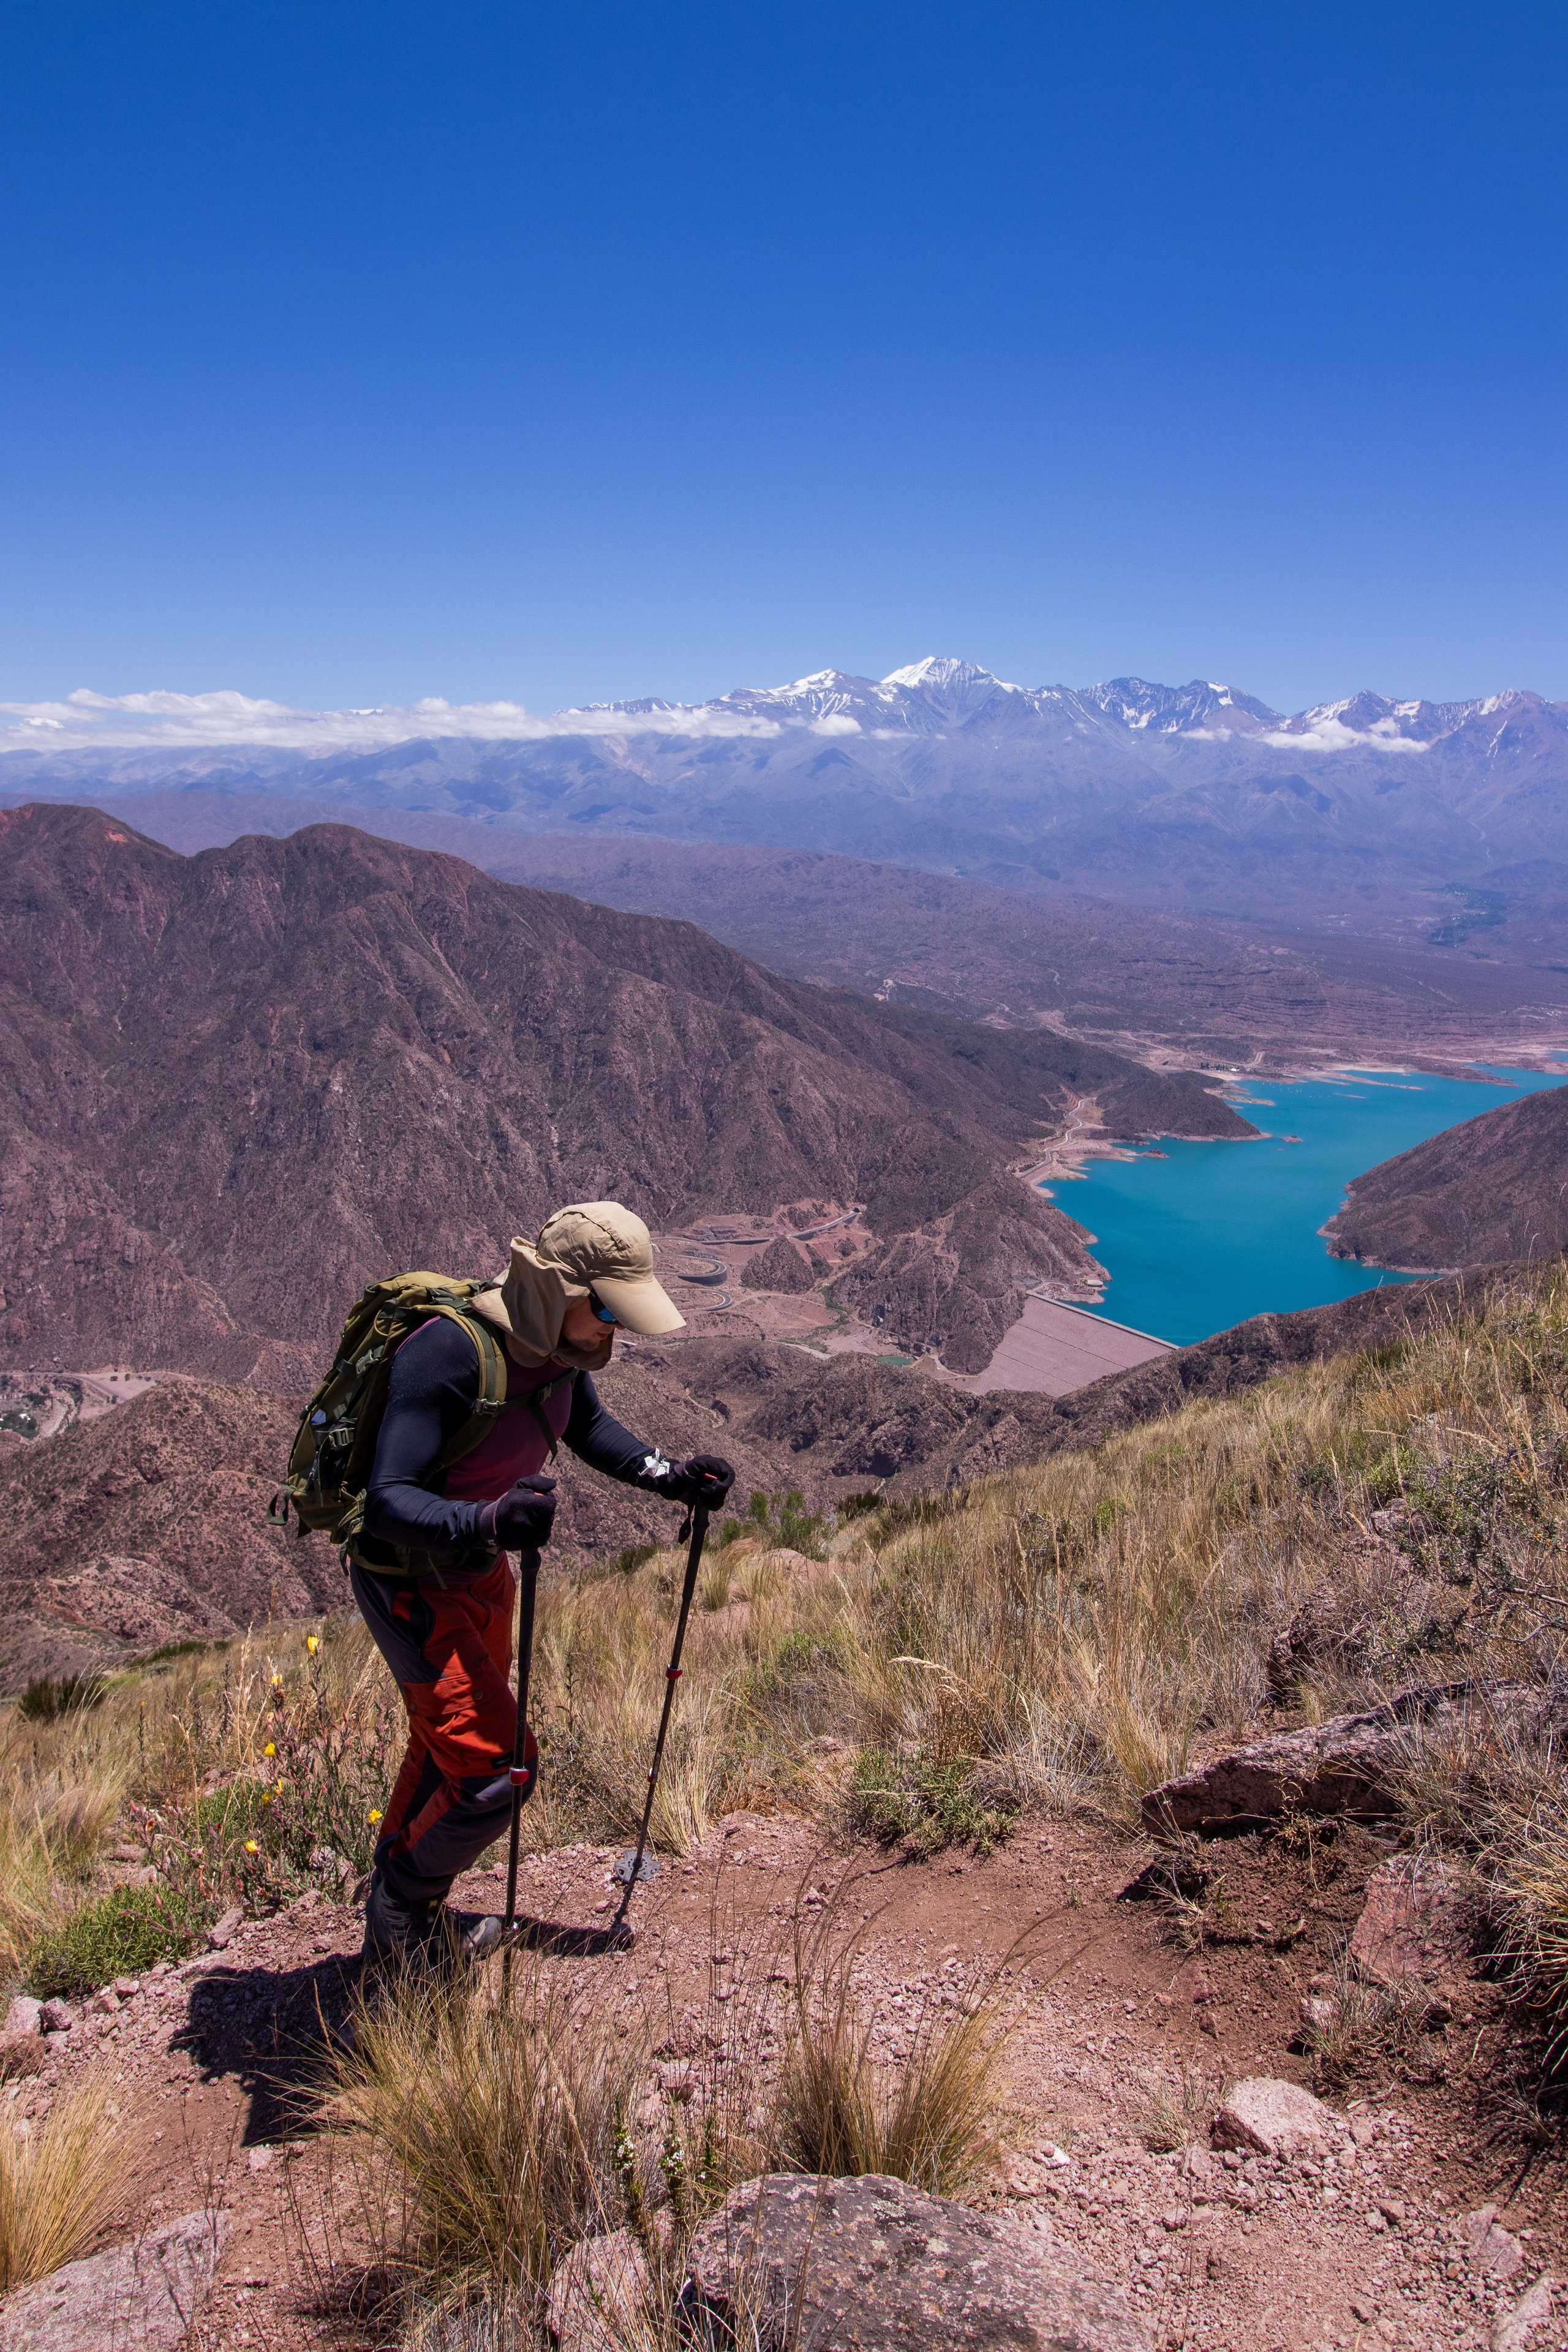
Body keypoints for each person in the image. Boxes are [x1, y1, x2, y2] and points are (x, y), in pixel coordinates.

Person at [351, 1200, 734, 1968]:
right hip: (413, 1586)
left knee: (448, 1748)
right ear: (556, 1289)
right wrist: (488, 1522)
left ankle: (408, 1920)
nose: (612, 1330)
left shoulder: (561, 1351)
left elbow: (584, 1427)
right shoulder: (448, 1354)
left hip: (481, 1576)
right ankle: (399, 1905)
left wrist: (671, 1477)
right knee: (497, 1772)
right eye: (604, 1309)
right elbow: (385, 1499)